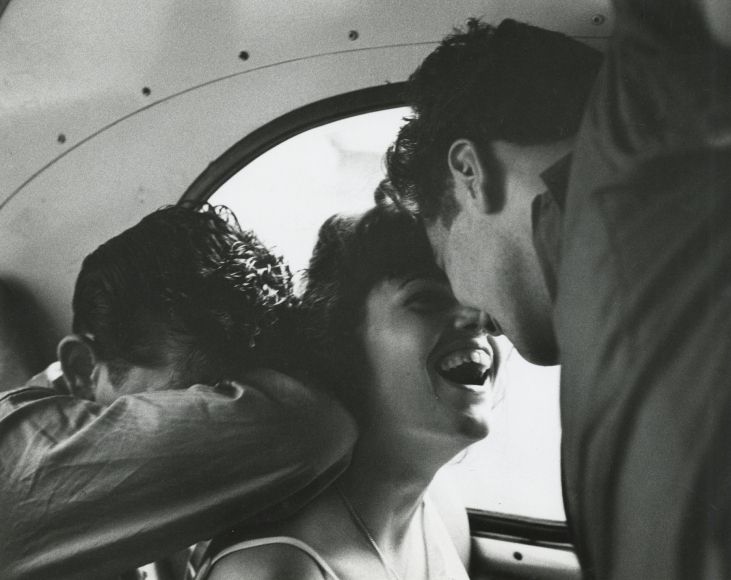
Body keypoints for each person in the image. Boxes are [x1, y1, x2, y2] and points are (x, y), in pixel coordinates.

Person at [385, 10, 731, 580]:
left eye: (445, 260)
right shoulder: (594, 289)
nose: (471, 315)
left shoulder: (635, 199)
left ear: (470, 173)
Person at [0, 204, 355, 580]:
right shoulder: (20, 460)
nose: (208, 430)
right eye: (186, 411)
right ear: (82, 369)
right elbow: (314, 426)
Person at [195, 200, 499, 579]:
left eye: (476, 297)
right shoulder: (274, 569)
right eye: (428, 299)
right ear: (344, 345)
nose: (480, 318)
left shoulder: (439, 506)